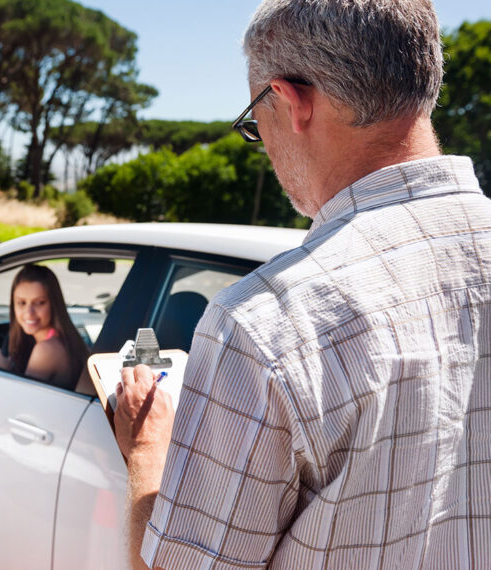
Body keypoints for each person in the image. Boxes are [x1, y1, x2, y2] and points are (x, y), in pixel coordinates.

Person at [114, 1, 491, 569]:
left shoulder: (264, 321)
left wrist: (146, 449)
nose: (262, 144)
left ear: (291, 101)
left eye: (253, 122)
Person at [0, 264, 89, 391]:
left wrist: (3, 370)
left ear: (53, 304)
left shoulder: (46, 350)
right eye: (21, 303)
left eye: (39, 303)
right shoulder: (64, 338)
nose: (29, 313)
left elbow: (22, 397)